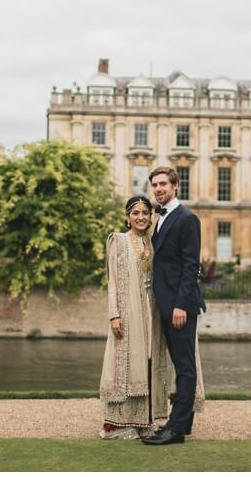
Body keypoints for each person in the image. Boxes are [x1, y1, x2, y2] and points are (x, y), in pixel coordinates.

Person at [142, 166, 206, 446]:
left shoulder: (187, 218)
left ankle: (176, 430)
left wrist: (181, 305)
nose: (158, 189)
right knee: (181, 365)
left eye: (163, 184)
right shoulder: (159, 219)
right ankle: (184, 422)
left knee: (185, 367)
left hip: (180, 306)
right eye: (154, 185)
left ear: (175, 185)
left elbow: (191, 266)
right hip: (166, 304)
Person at [98, 196, 171, 439]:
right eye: (135, 213)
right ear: (127, 217)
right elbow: (113, 282)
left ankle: (145, 419)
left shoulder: (154, 241)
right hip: (128, 311)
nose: (141, 217)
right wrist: (114, 314)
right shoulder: (118, 241)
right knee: (126, 362)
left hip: (153, 311)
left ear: (151, 217)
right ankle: (117, 423)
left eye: (145, 213)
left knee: (149, 361)